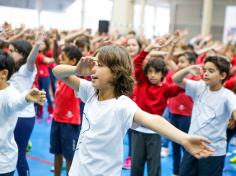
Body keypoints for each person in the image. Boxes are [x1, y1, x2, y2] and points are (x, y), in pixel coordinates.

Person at [52, 45, 213, 176]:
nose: (93, 69)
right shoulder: (90, 92)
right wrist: (77, 71)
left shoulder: (121, 105)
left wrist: (184, 138)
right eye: (94, 64)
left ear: (116, 73)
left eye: (100, 65)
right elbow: (57, 72)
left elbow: (152, 120)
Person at [172, 56, 236, 176]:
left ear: (222, 76)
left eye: (211, 71)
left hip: (213, 151)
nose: (206, 73)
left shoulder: (228, 95)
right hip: (192, 146)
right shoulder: (199, 87)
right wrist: (188, 69)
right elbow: (175, 79)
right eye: (205, 70)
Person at [0, 50, 45, 176]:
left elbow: (16, 102)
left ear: (4, 74)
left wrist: (26, 98)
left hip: (3, 164)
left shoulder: (9, 94)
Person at [8, 38, 40, 176]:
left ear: (22, 53)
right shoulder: (11, 67)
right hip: (11, 114)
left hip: (23, 117)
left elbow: (30, 60)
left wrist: (37, 44)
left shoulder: (26, 69)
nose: (8, 53)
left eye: (12, 51)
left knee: (19, 156)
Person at [50, 45, 82, 176]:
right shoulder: (61, 77)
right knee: (57, 154)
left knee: (69, 157)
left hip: (69, 123)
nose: (59, 59)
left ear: (73, 62)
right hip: (56, 120)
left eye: (63, 58)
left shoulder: (77, 79)